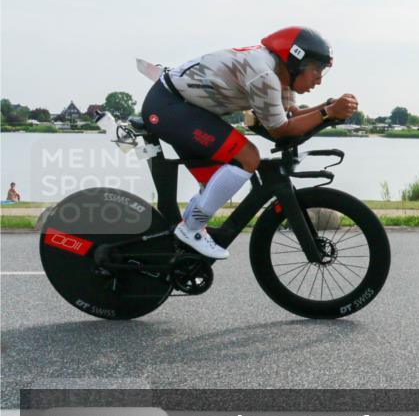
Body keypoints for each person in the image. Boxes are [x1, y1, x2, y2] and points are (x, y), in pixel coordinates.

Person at [140, 27, 357, 259]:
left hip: (180, 107)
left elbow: (290, 116)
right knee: (248, 157)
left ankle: (185, 231)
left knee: (215, 178)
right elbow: (281, 131)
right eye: (317, 70)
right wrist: (328, 112)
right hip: (169, 107)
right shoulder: (265, 76)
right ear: (297, 61)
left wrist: (328, 107)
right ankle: (191, 230)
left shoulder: (280, 74)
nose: (319, 79)